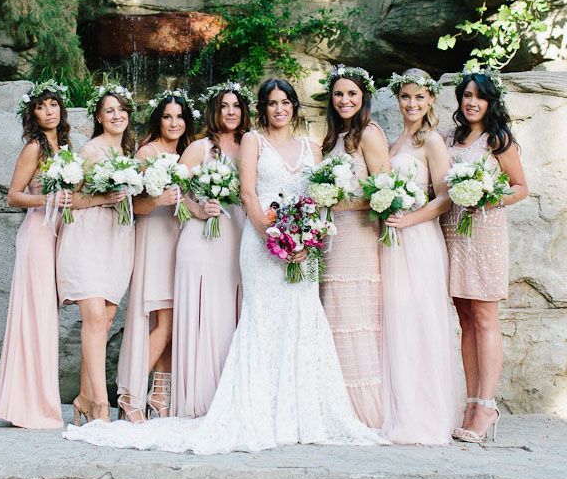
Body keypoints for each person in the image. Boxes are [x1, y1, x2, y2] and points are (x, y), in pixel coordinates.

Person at [63, 79, 388, 452]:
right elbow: (248, 192)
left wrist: (305, 239)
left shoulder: (312, 146)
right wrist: (273, 235)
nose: (279, 109)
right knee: (261, 320)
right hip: (262, 242)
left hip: (303, 246)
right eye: (271, 103)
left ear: (295, 107)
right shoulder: (252, 141)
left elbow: (315, 196)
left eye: (285, 102)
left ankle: (300, 413)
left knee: (302, 319)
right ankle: (245, 410)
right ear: (263, 108)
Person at [441, 67, 528, 443]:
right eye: (466, 96)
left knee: (485, 316)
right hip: (453, 233)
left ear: (490, 102)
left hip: (486, 233)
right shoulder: (449, 138)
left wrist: (490, 197)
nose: (472, 102)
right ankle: (470, 401)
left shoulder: (499, 141)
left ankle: (486, 404)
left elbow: (521, 188)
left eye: (479, 96)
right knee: (465, 317)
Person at [380, 68, 460, 444]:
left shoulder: (432, 142)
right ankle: (398, 408)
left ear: (430, 100)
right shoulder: (397, 141)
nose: (411, 104)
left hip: (419, 239)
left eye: (419, 97)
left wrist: (408, 219)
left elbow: (445, 198)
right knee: (397, 322)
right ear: (398, 100)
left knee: (421, 322)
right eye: (405, 97)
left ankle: (426, 417)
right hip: (394, 241)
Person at [0, 80, 72, 429]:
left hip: (59, 234)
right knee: (34, 317)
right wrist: (47, 199)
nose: (49, 111)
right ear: (33, 113)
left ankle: (39, 401)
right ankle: (28, 406)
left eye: (53, 104)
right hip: (38, 234)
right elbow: (13, 195)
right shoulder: (33, 148)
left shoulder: (67, 145)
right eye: (41, 106)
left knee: (48, 318)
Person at [56, 83, 136, 423]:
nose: (116, 115)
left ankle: (83, 400)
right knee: (92, 318)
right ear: (99, 118)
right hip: (87, 237)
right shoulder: (90, 150)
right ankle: (102, 407)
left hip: (117, 240)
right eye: (109, 111)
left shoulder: (130, 156)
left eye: (121, 110)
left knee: (104, 320)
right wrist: (104, 199)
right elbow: (69, 201)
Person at [170, 82, 252, 418]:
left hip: (239, 238)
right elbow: (176, 193)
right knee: (205, 312)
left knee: (231, 313)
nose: (230, 112)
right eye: (224, 106)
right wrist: (199, 208)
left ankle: (229, 397)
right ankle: (198, 399)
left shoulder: (251, 145)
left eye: (236, 106)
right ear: (214, 111)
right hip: (202, 240)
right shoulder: (199, 148)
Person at [116, 90, 196, 423]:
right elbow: (129, 205)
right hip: (155, 238)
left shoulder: (189, 153)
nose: (174, 122)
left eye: (179, 117)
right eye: (167, 116)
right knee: (163, 319)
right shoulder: (148, 152)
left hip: (181, 237)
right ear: (158, 120)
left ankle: (160, 395)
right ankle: (130, 394)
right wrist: (159, 199)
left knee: (173, 319)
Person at [318, 66, 390, 428]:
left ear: (364, 98)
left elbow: (385, 195)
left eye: (352, 94)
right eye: (338, 94)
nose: (345, 100)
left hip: (359, 237)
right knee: (334, 314)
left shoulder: (370, 134)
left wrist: (338, 200)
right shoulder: (333, 137)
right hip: (331, 238)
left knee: (355, 317)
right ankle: (336, 405)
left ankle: (364, 410)